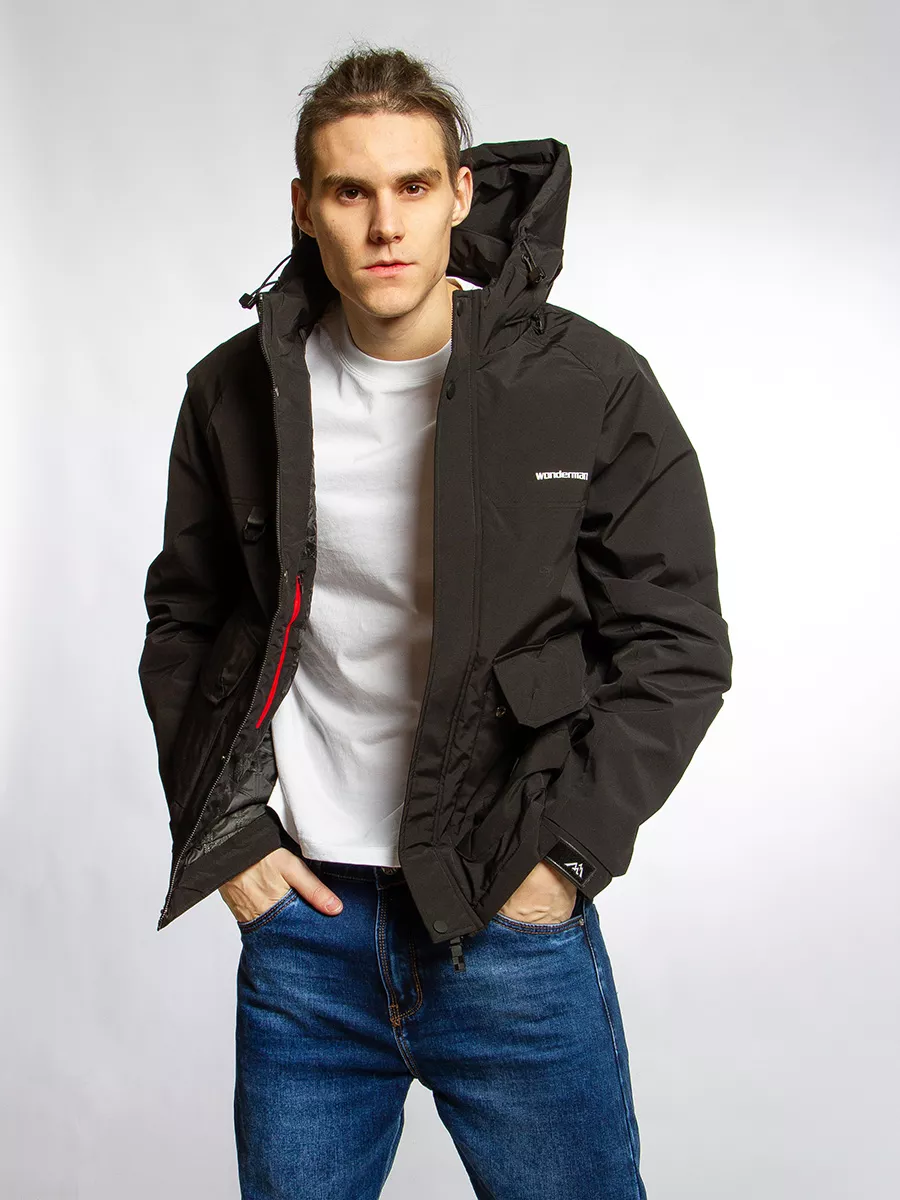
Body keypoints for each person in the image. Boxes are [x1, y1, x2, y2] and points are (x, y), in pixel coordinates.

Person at [138, 44, 732, 1200]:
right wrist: (230, 841)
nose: (385, 225)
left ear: (461, 193)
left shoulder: (588, 386)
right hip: (305, 937)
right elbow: (187, 619)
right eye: (350, 191)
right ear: (304, 207)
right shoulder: (233, 393)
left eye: (413, 186)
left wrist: (563, 855)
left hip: (502, 922)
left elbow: (675, 643)